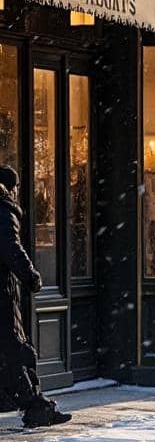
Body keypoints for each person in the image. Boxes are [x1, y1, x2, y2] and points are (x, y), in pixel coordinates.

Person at [0, 166, 71, 428]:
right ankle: (35, 407)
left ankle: (32, 404)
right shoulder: (3, 209)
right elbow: (10, 247)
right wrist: (30, 276)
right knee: (15, 350)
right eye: (15, 187)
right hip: (2, 294)